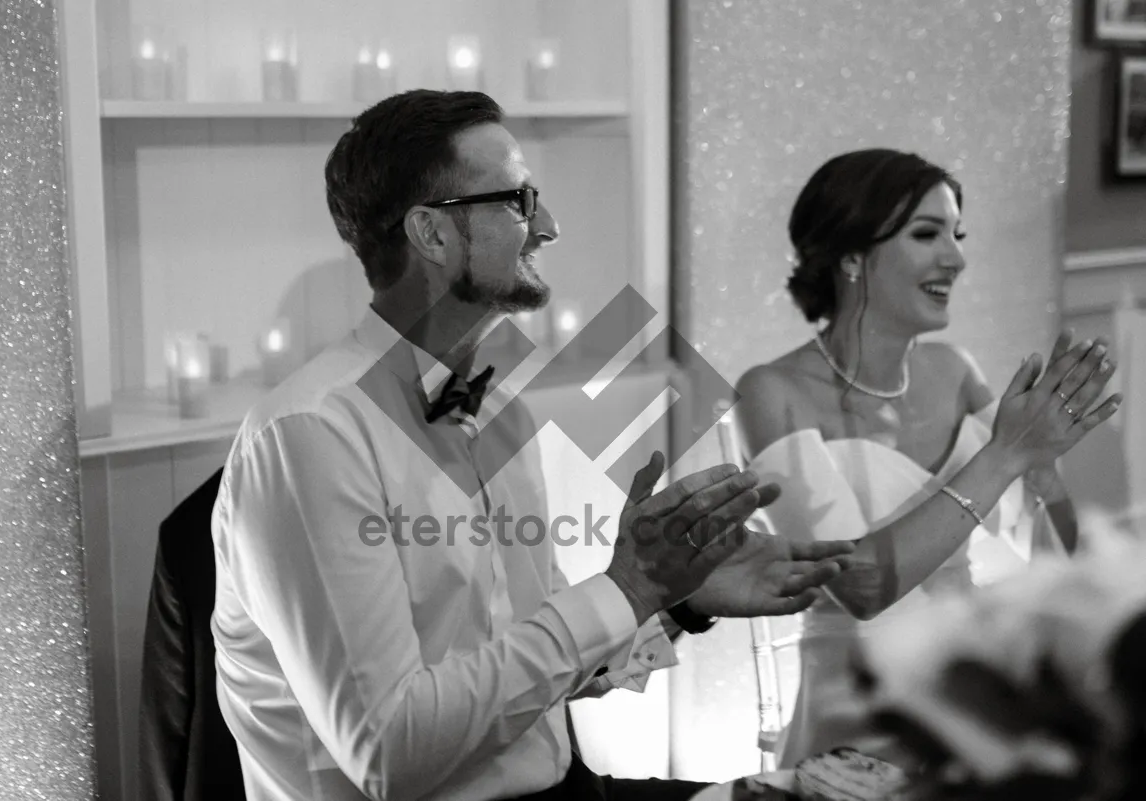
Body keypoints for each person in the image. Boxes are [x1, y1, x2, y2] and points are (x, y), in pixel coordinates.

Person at [209, 89, 855, 801]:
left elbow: (532, 667)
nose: (547, 226)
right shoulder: (310, 434)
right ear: (432, 233)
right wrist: (626, 588)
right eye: (517, 200)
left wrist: (674, 601)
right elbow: (390, 752)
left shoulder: (500, 406)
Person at [733, 148, 1122, 770]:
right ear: (852, 256)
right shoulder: (770, 391)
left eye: (957, 235)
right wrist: (1005, 456)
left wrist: (1043, 469)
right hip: (857, 719)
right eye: (927, 234)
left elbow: (1052, 569)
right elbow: (858, 583)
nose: (957, 257)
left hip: (974, 700)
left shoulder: (955, 370)